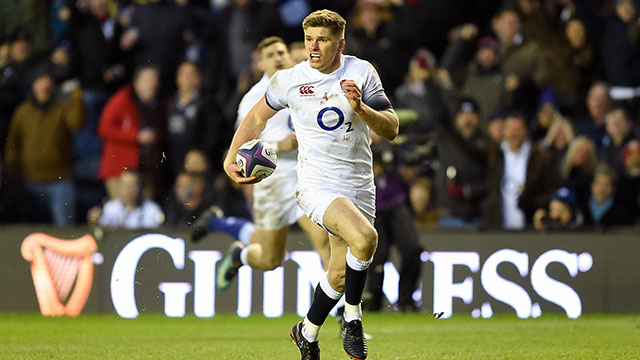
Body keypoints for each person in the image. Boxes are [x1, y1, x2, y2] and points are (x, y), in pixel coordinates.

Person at [222, 10, 399, 360]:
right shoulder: (289, 80)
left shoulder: (361, 72)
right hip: (316, 185)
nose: (314, 47)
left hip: (360, 184)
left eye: (322, 40)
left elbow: (391, 128)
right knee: (364, 240)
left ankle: (306, 331)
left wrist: (362, 109)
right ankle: (353, 318)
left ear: (341, 44)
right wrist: (230, 158)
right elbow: (257, 116)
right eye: (308, 40)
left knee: (337, 274)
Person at [192, 36, 330, 290]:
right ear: (260, 64)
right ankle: (241, 255)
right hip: (273, 183)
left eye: (281, 52)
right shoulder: (253, 99)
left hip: (306, 177)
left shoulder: (307, 84)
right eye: (270, 55)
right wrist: (279, 147)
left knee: (324, 240)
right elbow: (242, 148)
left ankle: (343, 312)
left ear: (289, 56)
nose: (277, 58)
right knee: (269, 259)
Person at [4, 68, 86, 225]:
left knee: (64, 229)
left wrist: (77, 99)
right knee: (31, 228)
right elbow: (13, 144)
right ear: (33, 85)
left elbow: (77, 123)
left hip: (60, 180)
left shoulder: (63, 106)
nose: (44, 84)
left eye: (47, 80)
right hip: (30, 181)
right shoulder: (23, 111)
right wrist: (13, 173)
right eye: (40, 80)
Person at [89, 169, 164, 229]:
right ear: (120, 187)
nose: (128, 189)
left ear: (140, 187)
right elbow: (100, 228)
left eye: (132, 185)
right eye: (125, 185)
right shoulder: (110, 207)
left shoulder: (152, 209)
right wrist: (94, 219)